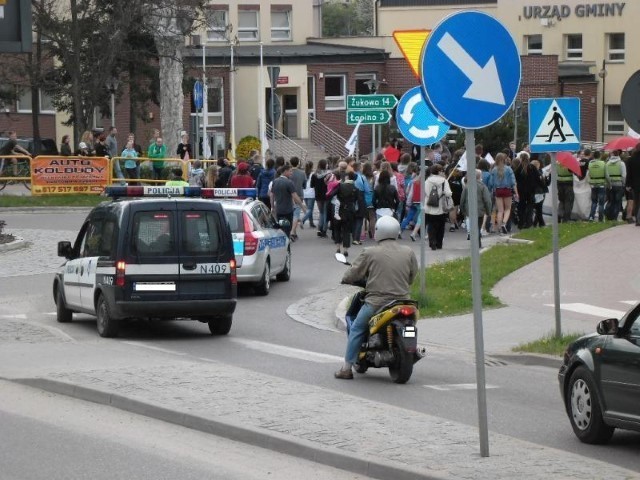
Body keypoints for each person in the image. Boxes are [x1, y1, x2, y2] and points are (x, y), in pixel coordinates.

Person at [334, 216, 418, 380]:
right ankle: (411, 351)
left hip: (376, 302)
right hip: (404, 301)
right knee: (411, 327)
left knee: (357, 328)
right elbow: (412, 276)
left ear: (379, 231)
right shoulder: (408, 252)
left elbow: (354, 272)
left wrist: (345, 279)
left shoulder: (370, 252)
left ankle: (346, 369)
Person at [270, 164, 306, 238]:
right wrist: (302, 206)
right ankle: (286, 243)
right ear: (285, 171)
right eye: (290, 171)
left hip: (279, 210)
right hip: (287, 210)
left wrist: (272, 207)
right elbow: (295, 196)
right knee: (287, 228)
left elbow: (271, 195)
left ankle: (284, 239)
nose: (291, 173)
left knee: (282, 225)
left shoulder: (275, 181)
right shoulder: (289, 183)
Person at [460, 169, 492, 248]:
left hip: (469, 210)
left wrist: (463, 210)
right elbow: (487, 200)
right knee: (478, 226)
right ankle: (477, 242)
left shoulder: (467, 186)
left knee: (473, 226)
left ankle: (474, 241)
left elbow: (462, 199)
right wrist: (488, 211)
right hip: (480, 210)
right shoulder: (483, 186)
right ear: (480, 177)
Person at [424, 163, 452, 250]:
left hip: (429, 206)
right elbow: (448, 193)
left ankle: (432, 241)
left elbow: (425, 192)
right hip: (441, 207)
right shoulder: (444, 181)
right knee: (441, 226)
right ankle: (439, 243)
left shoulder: (427, 181)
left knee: (431, 225)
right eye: (442, 171)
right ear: (439, 171)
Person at [489, 152, 517, 234]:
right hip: (507, 190)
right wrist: (516, 192)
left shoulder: (494, 170)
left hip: (498, 191)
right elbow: (513, 181)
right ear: (504, 159)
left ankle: (499, 228)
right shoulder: (508, 169)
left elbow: (491, 183)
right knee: (507, 209)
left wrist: (492, 190)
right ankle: (504, 223)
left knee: (500, 210)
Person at [604, 149, 626, 221]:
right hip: (619, 185)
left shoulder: (607, 163)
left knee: (610, 201)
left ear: (612, 154)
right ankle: (614, 218)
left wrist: (609, 183)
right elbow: (624, 176)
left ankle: (607, 215)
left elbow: (606, 175)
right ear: (619, 155)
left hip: (610, 185)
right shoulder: (621, 163)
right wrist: (623, 184)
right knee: (617, 202)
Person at [289, 156, 306, 241]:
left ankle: (294, 232)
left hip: (290, 195)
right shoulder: (302, 173)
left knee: (292, 213)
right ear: (298, 163)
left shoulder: (289, 172)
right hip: (299, 194)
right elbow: (304, 185)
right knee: (296, 214)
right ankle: (293, 232)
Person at [587, 151, 606, 221]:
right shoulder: (603, 163)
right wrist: (608, 183)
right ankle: (600, 218)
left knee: (594, 202)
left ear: (593, 156)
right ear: (600, 156)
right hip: (601, 184)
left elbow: (588, 174)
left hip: (593, 185)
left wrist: (590, 182)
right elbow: (606, 174)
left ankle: (591, 217)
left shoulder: (590, 163)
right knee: (601, 203)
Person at [556, 155, 576, 223]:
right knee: (568, 201)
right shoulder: (569, 164)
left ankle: (559, 214)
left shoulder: (557, 163)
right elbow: (573, 172)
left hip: (559, 182)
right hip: (568, 183)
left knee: (561, 200)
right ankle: (566, 218)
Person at [625, 143, 640, 226]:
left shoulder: (630, 160)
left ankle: (638, 219)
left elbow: (629, 174)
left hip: (634, 184)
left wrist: (628, 184)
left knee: (637, 202)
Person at [300, 160, 317, 229]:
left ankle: (311, 222)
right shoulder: (313, 174)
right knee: (310, 209)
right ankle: (303, 220)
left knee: (309, 209)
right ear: (312, 166)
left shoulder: (303, 173)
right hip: (311, 193)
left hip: (304, 193)